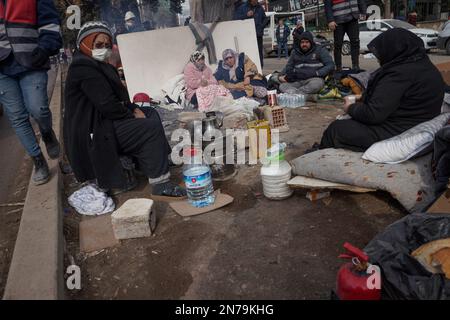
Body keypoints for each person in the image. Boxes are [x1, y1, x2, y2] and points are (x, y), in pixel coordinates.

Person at [64, 21, 186, 198]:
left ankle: (152, 164)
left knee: (151, 113)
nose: (104, 49)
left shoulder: (101, 65)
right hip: (93, 131)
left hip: (105, 120)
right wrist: (132, 113)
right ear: (85, 43)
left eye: (107, 45)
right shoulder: (82, 67)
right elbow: (107, 105)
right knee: (148, 128)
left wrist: (133, 108)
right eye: (98, 45)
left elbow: (120, 98)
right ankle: (161, 184)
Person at [320, 28, 445, 152]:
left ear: (393, 50)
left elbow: (373, 114)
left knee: (336, 129)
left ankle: (320, 155)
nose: (378, 59)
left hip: (398, 129)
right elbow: (395, 97)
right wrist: (361, 97)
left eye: (381, 53)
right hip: (415, 120)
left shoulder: (399, 74)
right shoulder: (423, 65)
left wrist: (350, 108)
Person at [0, 0, 62, 185]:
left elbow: (50, 22)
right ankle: (39, 161)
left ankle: (47, 133)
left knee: (38, 108)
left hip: (32, 60)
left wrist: (45, 48)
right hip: (2, 69)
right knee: (17, 117)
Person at [278, 31, 335, 98]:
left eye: (307, 42)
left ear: (311, 42)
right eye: (302, 42)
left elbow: (330, 65)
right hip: (297, 80)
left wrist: (317, 73)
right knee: (282, 86)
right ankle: (306, 96)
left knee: (316, 85)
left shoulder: (320, 50)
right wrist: (280, 76)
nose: (304, 44)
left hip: (314, 79)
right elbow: (289, 66)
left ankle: (295, 95)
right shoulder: (295, 52)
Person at [324, 0, 367, 72]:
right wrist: (330, 20)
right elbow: (327, 5)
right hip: (338, 20)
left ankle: (355, 66)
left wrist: (363, 12)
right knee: (338, 44)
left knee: (355, 42)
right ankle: (338, 67)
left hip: (353, 18)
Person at [233, 0, 268, 68]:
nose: (256, 1)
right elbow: (235, 18)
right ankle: (247, 69)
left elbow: (265, 19)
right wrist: (246, 15)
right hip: (247, 36)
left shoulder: (259, 7)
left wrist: (261, 26)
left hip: (258, 35)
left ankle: (260, 68)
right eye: (254, 0)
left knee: (259, 53)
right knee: (248, 53)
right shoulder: (243, 7)